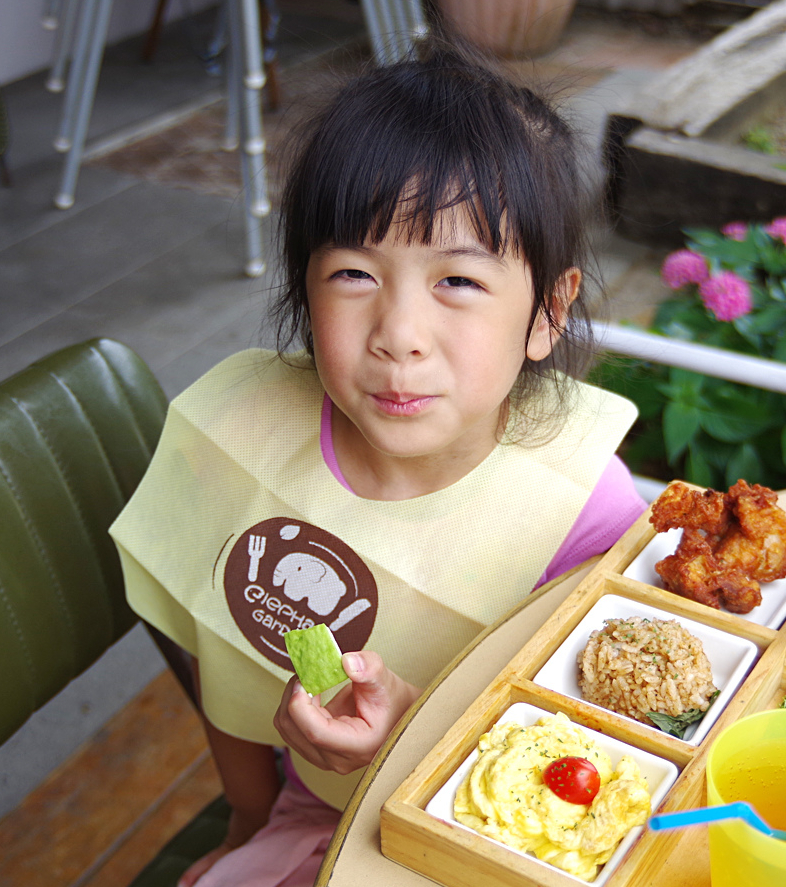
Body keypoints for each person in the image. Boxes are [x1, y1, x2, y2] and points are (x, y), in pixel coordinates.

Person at [109, 42, 647, 887]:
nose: (398, 331)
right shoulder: (243, 440)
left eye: (458, 282)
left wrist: (419, 739)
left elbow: (587, 758)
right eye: (354, 272)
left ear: (546, 312)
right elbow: (222, 655)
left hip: (484, 829)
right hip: (310, 811)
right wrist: (247, 819)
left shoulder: (582, 509)